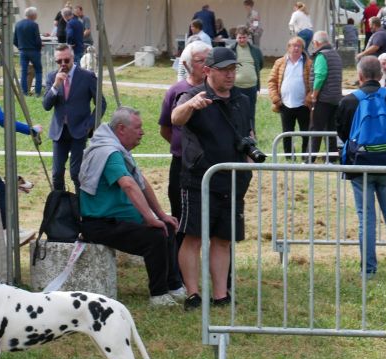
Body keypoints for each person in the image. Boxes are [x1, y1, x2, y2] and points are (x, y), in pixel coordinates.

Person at [171, 47, 255, 310]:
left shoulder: (242, 99)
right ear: (207, 71)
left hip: (233, 180)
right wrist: (190, 105)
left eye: (233, 69)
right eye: (224, 70)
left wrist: (250, 155)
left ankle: (221, 295)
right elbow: (175, 118)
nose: (230, 75)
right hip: (200, 180)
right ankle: (193, 294)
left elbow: (248, 131)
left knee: (223, 239)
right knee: (193, 237)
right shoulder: (193, 96)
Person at [78, 107, 179, 306]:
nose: (142, 132)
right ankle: (158, 295)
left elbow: (141, 181)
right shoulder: (109, 152)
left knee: (167, 227)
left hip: (116, 221)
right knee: (155, 237)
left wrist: (161, 215)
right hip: (100, 225)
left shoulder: (117, 149)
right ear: (121, 129)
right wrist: (150, 219)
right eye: (138, 128)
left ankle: (175, 287)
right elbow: (129, 184)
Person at [335, 55, 386, 279]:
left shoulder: (349, 101)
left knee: (365, 219)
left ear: (360, 75)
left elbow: (343, 134)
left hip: (361, 166)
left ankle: (368, 269)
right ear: (380, 74)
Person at [158, 41, 210, 300]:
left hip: (211, 167)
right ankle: (178, 277)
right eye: (201, 60)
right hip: (181, 165)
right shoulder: (176, 91)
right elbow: (166, 129)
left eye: (209, 59)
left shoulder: (215, 90)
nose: (206, 65)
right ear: (188, 65)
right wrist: (183, 149)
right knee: (181, 220)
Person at [42, 44, 106, 193]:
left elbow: (101, 103)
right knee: (57, 174)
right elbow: (46, 105)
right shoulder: (52, 77)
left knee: (76, 173)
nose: (63, 64)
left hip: (79, 130)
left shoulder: (87, 76)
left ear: (73, 58)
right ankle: (60, 204)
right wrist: (55, 86)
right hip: (59, 132)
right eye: (59, 61)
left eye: (66, 60)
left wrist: (90, 125)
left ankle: (80, 203)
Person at [0, 60, 40, 245]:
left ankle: (8, 231)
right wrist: (30, 129)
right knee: (1, 191)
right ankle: (7, 233)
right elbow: (3, 120)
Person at [269, 37, 313, 161]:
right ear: (288, 48)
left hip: (303, 105)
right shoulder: (279, 62)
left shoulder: (309, 63)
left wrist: (308, 100)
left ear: (303, 49)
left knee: (306, 133)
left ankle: (305, 157)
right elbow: (271, 82)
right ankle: (289, 158)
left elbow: (314, 84)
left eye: (299, 46)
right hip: (284, 104)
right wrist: (276, 99)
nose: (296, 48)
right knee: (287, 133)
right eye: (293, 45)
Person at [308, 31, 344, 162]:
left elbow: (320, 75)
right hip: (335, 98)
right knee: (331, 129)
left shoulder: (321, 55)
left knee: (316, 128)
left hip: (323, 98)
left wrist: (314, 94)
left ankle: (310, 158)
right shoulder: (335, 54)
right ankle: (332, 156)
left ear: (317, 43)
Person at [232, 27, 263, 130]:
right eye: (239, 37)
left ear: (248, 37)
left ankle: (251, 133)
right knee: (236, 112)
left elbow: (260, 64)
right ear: (236, 37)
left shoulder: (255, 50)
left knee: (250, 113)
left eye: (244, 37)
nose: (242, 40)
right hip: (236, 87)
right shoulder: (231, 50)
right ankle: (238, 133)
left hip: (252, 87)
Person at [13, 6, 43, 96]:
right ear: (33, 15)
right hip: (34, 51)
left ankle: (24, 92)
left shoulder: (18, 24)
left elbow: (14, 40)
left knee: (23, 72)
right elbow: (38, 40)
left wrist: (20, 47)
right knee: (38, 71)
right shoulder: (34, 25)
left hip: (23, 51)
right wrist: (39, 48)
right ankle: (37, 92)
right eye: (36, 14)